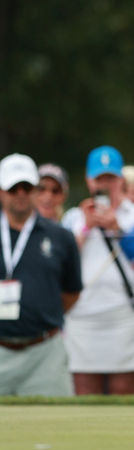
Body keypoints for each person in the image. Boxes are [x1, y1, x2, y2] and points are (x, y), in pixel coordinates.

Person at [62, 145, 134, 395]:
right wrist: (85, 228)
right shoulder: (73, 218)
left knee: (124, 388)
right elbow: (61, 264)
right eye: (99, 179)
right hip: (82, 318)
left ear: (121, 180)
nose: (105, 185)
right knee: (84, 390)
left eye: (111, 178)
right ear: (88, 180)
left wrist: (117, 230)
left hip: (125, 316)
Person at [0, 154, 82, 396]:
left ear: (35, 191)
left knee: (58, 430)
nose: (21, 194)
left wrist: (41, 312)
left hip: (45, 353)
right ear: (1, 192)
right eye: (13, 188)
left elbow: (72, 292)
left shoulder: (61, 237)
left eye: (27, 187)